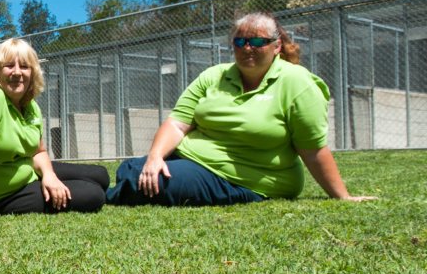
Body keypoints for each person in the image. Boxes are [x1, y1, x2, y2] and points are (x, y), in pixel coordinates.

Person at [106, 12, 376, 207]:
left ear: (277, 46)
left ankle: (90, 196)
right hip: (192, 159)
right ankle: (92, 181)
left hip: (246, 179)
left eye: (258, 42)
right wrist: (155, 156)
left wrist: (342, 196)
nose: (248, 48)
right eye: (240, 42)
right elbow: (178, 123)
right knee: (137, 168)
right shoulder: (215, 75)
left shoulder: (297, 82)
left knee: (143, 182)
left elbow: (313, 148)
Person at [0, 38, 110, 224]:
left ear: (32, 72)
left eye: (24, 67)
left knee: (101, 175)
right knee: (93, 193)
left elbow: (38, 151)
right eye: (9, 65)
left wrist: (49, 176)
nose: (17, 72)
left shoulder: (30, 105)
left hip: (27, 173)